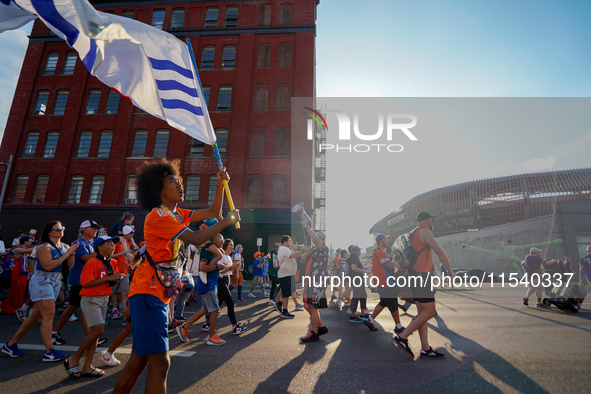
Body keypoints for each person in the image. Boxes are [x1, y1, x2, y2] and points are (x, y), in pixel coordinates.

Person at [113, 159, 239, 394]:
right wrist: (227, 222)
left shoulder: (177, 213)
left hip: (155, 293)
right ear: (160, 191)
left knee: (139, 361)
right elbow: (196, 238)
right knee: (160, 363)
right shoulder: (158, 216)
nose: (180, 186)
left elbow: (212, 212)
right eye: (173, 182)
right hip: (148, 292)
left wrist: (221, 185)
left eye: (180, 182)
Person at [2, 221, 77, 361]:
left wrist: (72, 253)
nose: (61, 230)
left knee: (35, 316)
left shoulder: (66, 246)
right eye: (57, 229)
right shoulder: (44, 247)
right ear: (49, 232)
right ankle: (49, 351)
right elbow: (48, 266)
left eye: (62, 228)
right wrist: (67, 254)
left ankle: (10, 344)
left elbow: (70, 265)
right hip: (42, 280)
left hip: (55, 281)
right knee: (49, 314)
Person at [394, 212, 455, 360]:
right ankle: (403, 337)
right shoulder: (425, 232)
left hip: (414, 275)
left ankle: (425, 348)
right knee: (429, 312)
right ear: (428, 220)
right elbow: (439, 251)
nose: (432, 223)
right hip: (421, 276)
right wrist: (450, 270)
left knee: (422, 313)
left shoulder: (412, 233)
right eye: (432, 220)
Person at [64, 236, 125, 378]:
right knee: (98, 330)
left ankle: (87, 366)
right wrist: (108, 278)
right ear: (99, 247)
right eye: (109, 244)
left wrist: (115, 279)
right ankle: (74, 358)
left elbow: (109, 283)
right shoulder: (92, 262)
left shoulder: (113, 262)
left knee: (94, 334)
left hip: (104, 298)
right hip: (91, 299)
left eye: (113, 244)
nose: (113, 246)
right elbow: (86, 283)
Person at [51, 220, 104, 347]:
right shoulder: (78, 243)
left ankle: (54, 332)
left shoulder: (92, 243)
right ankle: (91, 337)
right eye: (93, 228)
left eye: (96, 228)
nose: (96, 230)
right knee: (82, 307)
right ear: (84, 229)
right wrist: (101, 250)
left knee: (73, 307)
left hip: (86, 279)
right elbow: (87, 258)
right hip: (79, 280)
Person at [176, 233, 235, 345]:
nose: (223, 241)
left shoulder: (213, 251)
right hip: (208, 284)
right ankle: (212, 337)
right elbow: (203, 267)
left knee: (206, 309)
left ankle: (184, 327)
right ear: (213, 240)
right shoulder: (207, 251)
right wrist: (217, 267)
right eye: (220, 239)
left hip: (211, 283)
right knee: (215, 309)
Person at [363, 234, 406, 334]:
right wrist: (400, 261)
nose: (387, 241)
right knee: (392, 303)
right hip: (386, 282)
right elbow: (389, 264)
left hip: (384, 282)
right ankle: (398, 326)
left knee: (384, 302)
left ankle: (370, 320)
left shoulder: (378, 252)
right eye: (386, 240)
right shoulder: (380, 252)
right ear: (382, 241)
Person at [300, 220, 330, 343]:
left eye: (322, 237)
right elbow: (301, 260)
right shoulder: (314, 249)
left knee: (312, 307)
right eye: (319, 237)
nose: (320, 239)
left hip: (317, 281)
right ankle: (321, 326)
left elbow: (315, 238)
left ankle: (314, 332)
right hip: (310, 281)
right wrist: (306, 254)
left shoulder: (324, 249)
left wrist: (307, 226)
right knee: (307, 305)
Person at [107, 225, 135, 320]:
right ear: (127, 233)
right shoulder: (117, 242)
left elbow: (127, 257)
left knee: (125, 292)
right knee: (112, 293)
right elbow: (109, 256)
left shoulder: (128, 242)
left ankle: (125, 315)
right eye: (132, 233)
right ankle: (112, 310)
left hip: (124, 271)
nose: (133, 234)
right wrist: (122, 253)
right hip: (115, 271)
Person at [275, 235, 307, 318]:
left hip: (287, 274)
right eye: (289, 241)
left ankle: (279, 305)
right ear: (285, 242)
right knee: (286, 294)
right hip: (286, 275)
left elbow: (293, 254)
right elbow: (294, 255)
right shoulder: (284, 249)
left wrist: (293, 248)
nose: (291, 242)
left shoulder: (285, 249)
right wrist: (303, 250)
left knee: (287, 292)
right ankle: (284, 311)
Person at [0, 236, 33, 314]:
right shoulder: (18, 249)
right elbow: (30, 250)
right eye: (29, 241)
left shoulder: (27, 249)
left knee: (21, 290)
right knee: (16, 289)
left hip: (25, 272)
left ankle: (14, 306)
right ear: (25, 242)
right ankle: (15, 306)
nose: (30, 242)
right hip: (18, 271)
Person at [347, 246, 371, 323]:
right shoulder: (354, 258)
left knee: (363, 295)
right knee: (356, 296)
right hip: (356, 279)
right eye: (359, 251)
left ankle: (363, 314)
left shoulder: (353, 258)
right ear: (356, 252)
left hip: (358, 279)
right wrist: (365, 271)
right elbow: (353, 268)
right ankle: (353, 316)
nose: (360, 252)